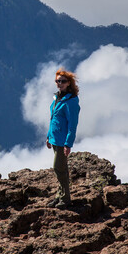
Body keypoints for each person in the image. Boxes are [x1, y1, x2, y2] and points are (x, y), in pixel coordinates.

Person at [46, 68, 80, 208]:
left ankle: (65, 199)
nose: (59, 83)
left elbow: (73, 125)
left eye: (63, 81)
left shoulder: (71, 102)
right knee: (61, 169)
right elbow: (53, 118)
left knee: (58, 168)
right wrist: (48, 137)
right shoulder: (57, 97)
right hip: (55, 139)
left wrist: (68, 144)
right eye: (57, 81)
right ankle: (60, 196)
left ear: (69, 83)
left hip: (62, 141)